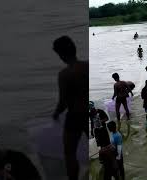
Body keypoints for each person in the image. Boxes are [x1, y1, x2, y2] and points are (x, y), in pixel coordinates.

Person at [52, 35, 87, 180]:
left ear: (61, 54)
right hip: (88, 113)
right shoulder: (87, 66)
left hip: (75, 116)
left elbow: (63, 102)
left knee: (69, 153)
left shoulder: (64, 74)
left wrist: (55, 114)